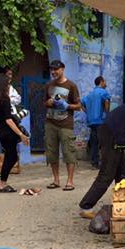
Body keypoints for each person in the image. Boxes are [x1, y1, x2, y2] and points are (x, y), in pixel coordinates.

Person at [0, 71, 29, 193]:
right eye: (7, 84)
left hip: (0, 131)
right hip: (8, 131)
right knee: (11, 157)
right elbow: (9, 120)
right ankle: (2, 184)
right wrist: (21, 135)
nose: (8, 86)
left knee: (10, 156)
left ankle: (2, 182)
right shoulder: (5, 100)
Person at [44, 60, 81, 190]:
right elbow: (44, 103)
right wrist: (48, 103)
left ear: (63, 69)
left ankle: (70, 181)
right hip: (50, 123)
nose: (53, 72)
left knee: (69, 152)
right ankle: (56, 180)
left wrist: (67, 106)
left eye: (56, 69)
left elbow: (79, 106)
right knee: (51, 152)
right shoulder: (49, 85)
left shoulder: (71, 86)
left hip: (66, 124)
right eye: (52, 70)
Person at [81, 76, 111, 169]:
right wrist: (107, 114)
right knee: (104, 142)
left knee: (94, 143)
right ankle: (105, 162)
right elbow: (106, 101)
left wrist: (88, 112)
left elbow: (81, 103)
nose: (105, 84)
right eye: (105, 81)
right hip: (101, 121)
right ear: (101, 82)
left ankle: (94, 163)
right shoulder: (103, 92)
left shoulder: (89, 95)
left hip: (91, 122)